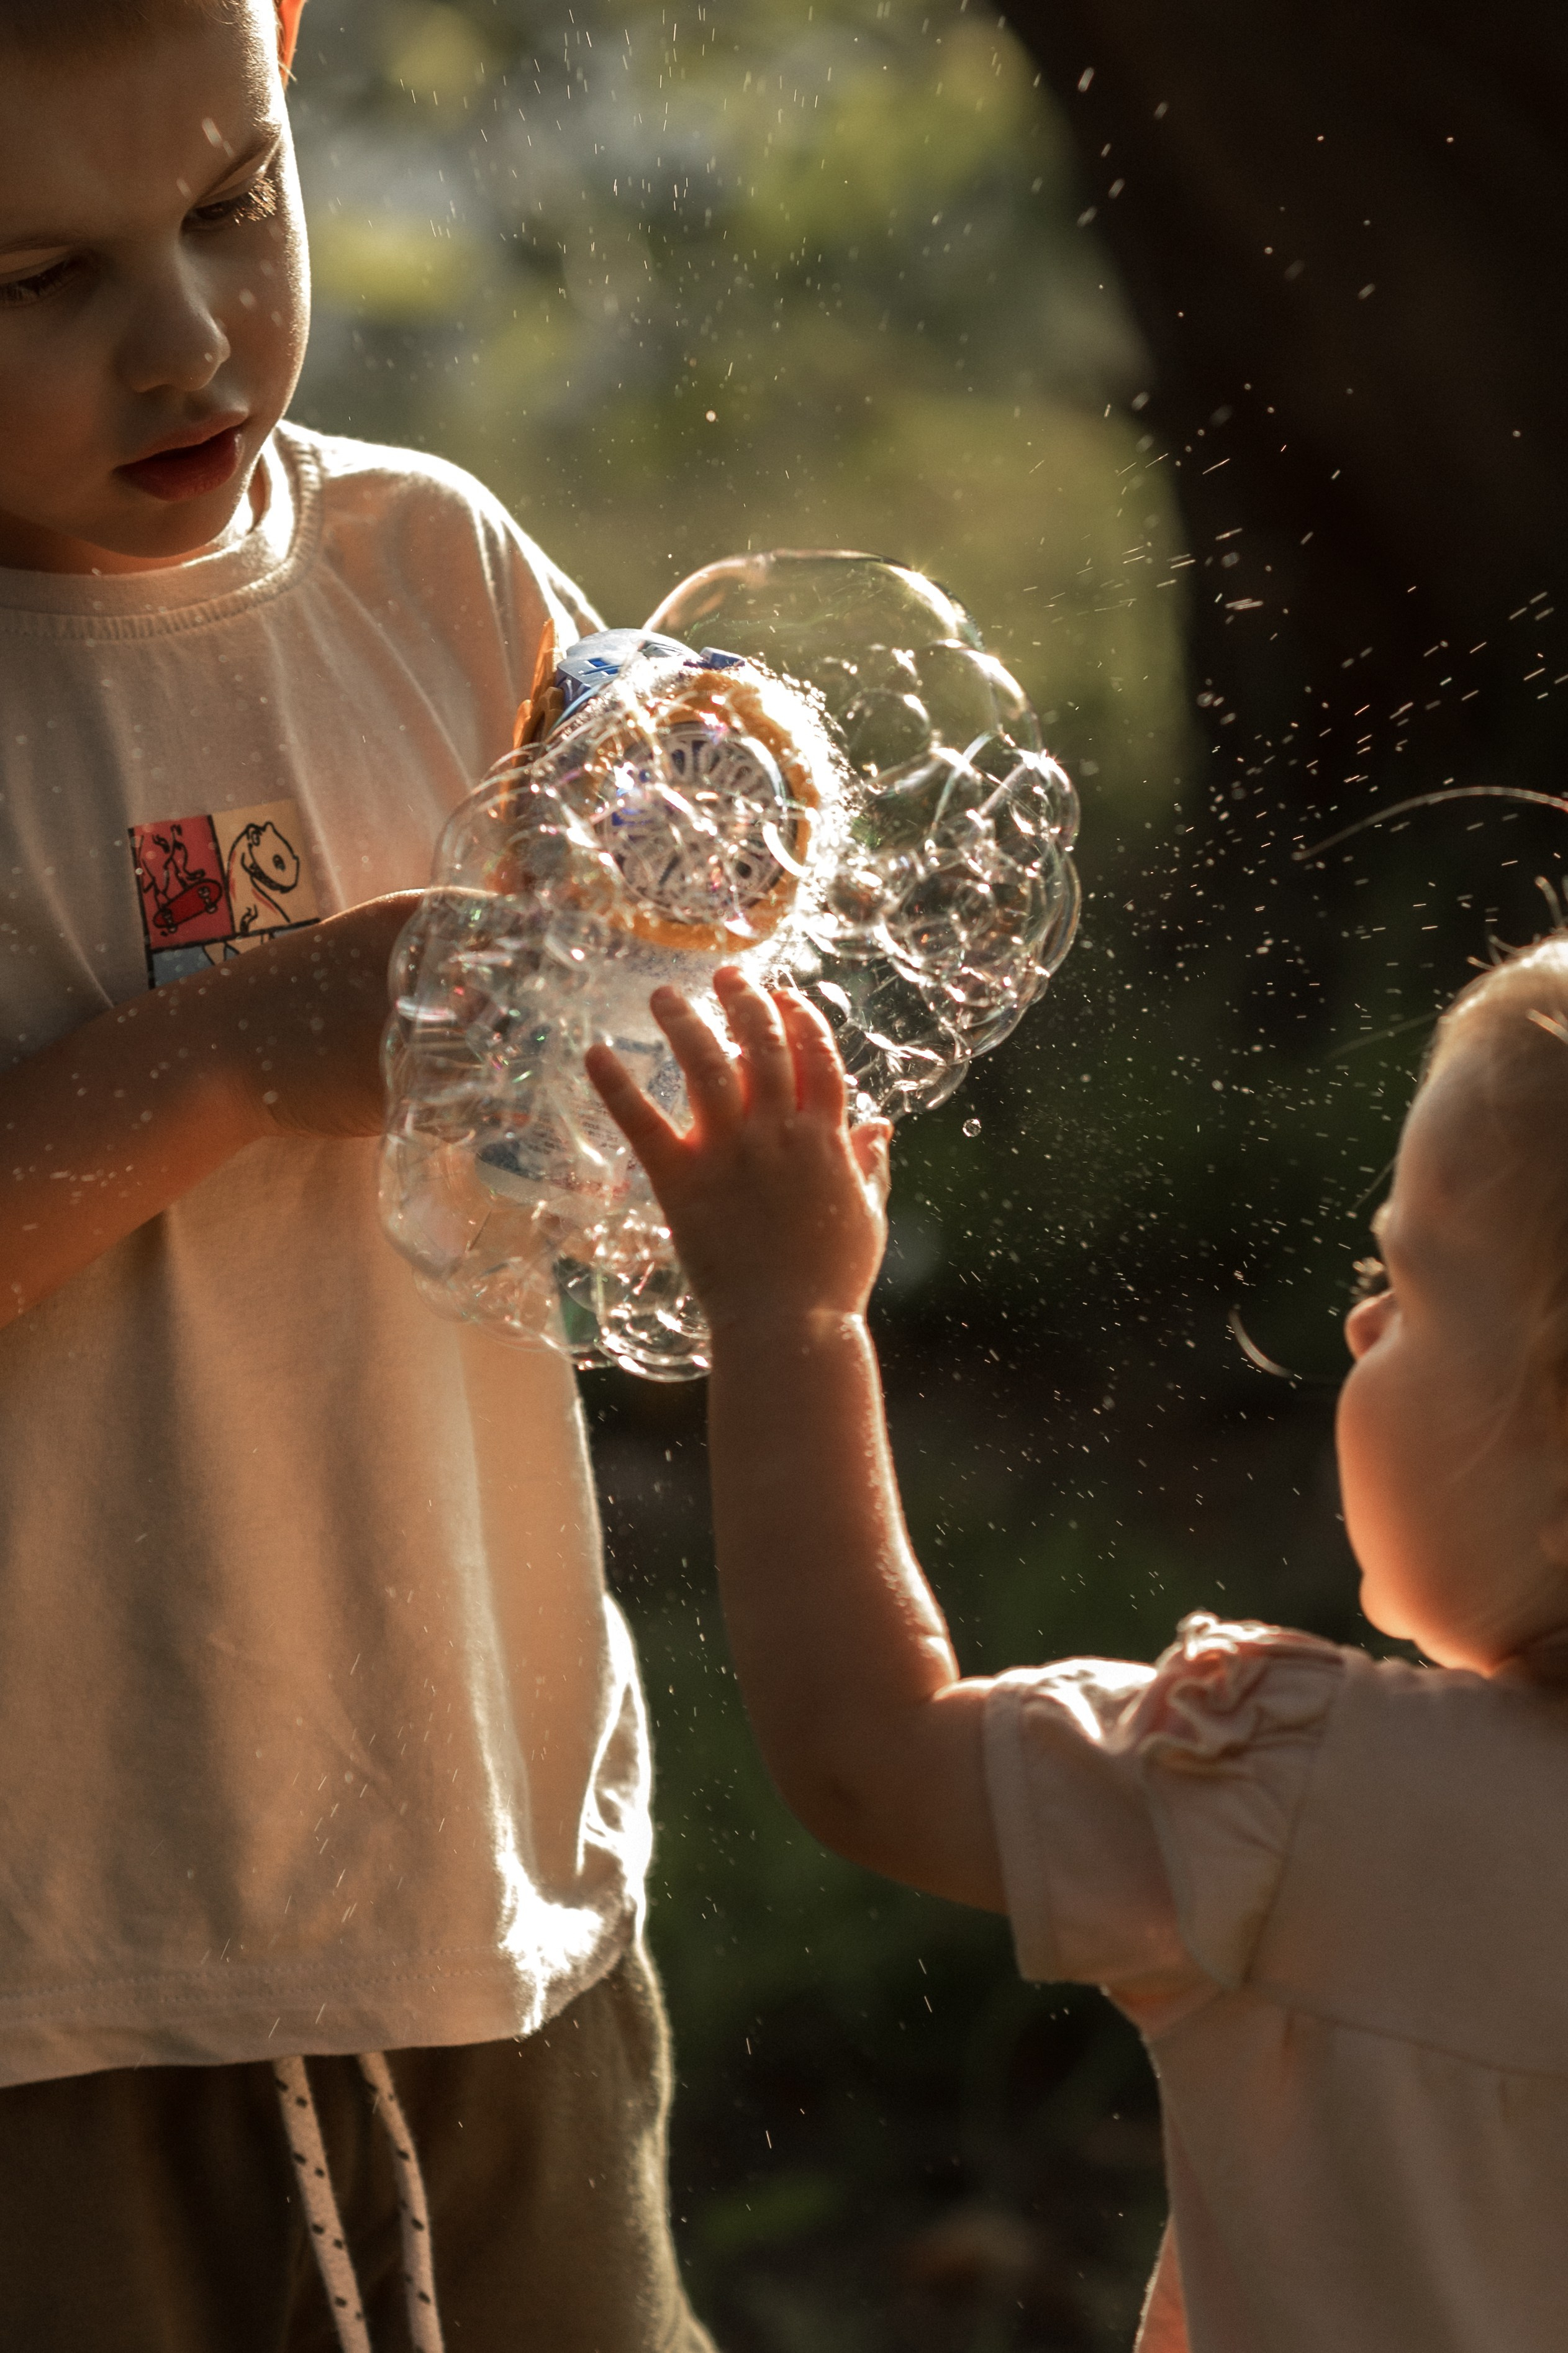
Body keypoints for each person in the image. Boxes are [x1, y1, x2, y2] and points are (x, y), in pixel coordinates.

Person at [0, 0, 713, 2346]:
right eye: (36, 277)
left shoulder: (433, 563)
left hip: (478, 1865)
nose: (188, 333)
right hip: (63, 1967)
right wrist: (221, 1056)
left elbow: (635, 897)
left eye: (231, 200)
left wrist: (717, 841)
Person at [587, 945, 1568, 2353]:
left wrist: (786, 1318)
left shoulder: (1306, 1804)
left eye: (1403, 1283)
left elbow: (875, 1757)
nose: (1358, 1321)